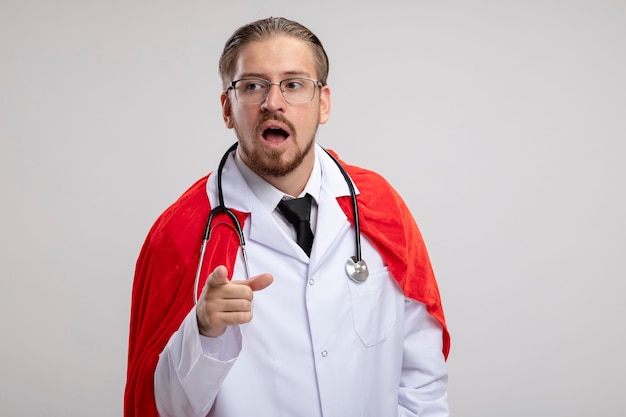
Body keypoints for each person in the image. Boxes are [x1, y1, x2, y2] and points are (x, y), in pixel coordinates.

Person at [124, 16, 451, 417]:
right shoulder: (181, 234)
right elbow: (156, 407)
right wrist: (203, 332)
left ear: (323, 103)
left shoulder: (380, 208)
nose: (273, 102)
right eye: (253, 86)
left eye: (293, 85)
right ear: (227, 108)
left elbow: (422, 373)